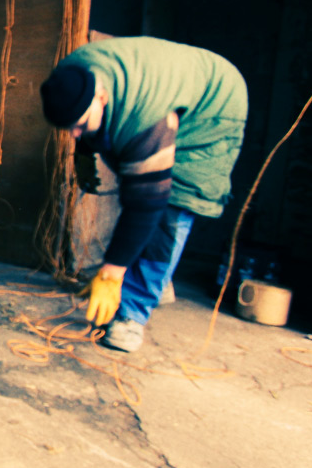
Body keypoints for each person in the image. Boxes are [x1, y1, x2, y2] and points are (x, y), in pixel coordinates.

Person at [41, 35, 248, 352]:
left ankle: (133, 312)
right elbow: (84, 119)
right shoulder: (72, 74)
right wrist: (84, 153)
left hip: (214, 106)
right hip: (168, 84)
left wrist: (111, 274)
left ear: (102, 96)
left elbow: (146, 205)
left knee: (172, 208)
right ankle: (154, 278)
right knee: (135, 181)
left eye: (80, 126)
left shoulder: (146, 120)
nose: (74, 134)